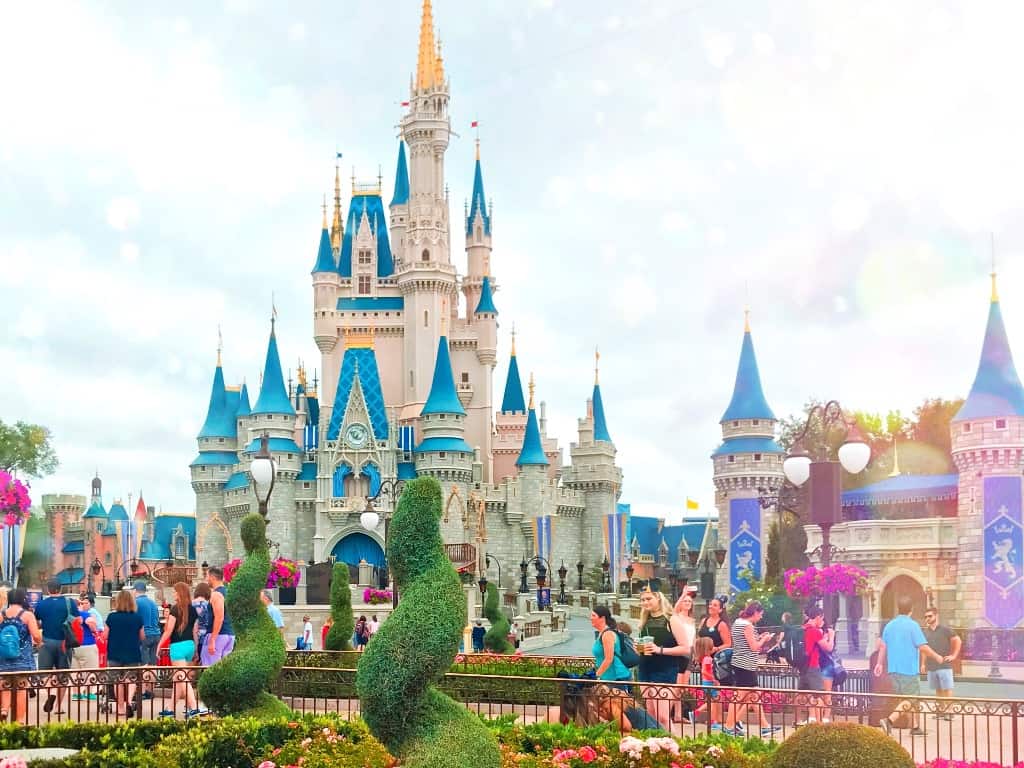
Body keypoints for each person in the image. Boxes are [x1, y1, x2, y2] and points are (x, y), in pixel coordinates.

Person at [875, 595, 947, 735]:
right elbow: (922, 647)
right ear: (911, 610)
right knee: (911, 699)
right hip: (907, 669)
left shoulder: (889, 625)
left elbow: (883, 646)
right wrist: (937, 656)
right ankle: (889, 721)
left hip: (893, 669)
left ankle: (915, 727)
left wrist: (879, 664)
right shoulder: (912, 625)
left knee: (908, 699)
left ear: (898, 609)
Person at [636, 588, 692, 729]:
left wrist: (659, 650)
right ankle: (655, 745)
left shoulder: (671, 619)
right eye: (643, 600)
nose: (645, 602)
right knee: (651, 714)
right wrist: (638, 647)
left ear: (658, 598)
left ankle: (674, 746)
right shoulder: (644, 620)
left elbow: (685, 648)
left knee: (663, 716)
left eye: (649, 599)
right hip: (645, 668)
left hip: (665, 669)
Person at [724, 600, 780, 738]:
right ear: (755, 612)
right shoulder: (748, 626)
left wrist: (759, 638)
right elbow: (754, 647)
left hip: (741, 663)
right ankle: (729, 726)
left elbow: (745, 643)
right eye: (760, 614)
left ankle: (764, 726)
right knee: (739, 697)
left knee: (754, 696)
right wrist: (764, 639)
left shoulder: (738, 622)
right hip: (746, 665)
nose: (760, 617)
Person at [158, 582, 202, 718]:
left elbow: (168, 631)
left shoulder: (175, 609)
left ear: (180, 593)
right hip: (190, 645)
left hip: (177, 646)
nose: (173, 594)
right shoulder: (193, 610)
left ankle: (194, 708)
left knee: (182, 679)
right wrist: (195, 650)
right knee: (179, 679)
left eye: (175, 592)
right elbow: (195, 631)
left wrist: (159, 645)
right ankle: (171, 708)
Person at [33, 579, 77, 715]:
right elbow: (76, 620)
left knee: (45, 674)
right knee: (62, 675)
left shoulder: (41, 604)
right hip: (65, 643)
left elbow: (37, 621)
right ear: (61, 589)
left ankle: (51, 692)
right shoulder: (70, 603)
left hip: (46, 641)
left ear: (48, 590)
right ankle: (58, 706)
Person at [0, 588, 42, 723]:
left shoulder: (1, 614)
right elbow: (36, 636)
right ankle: (19, 721)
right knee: (21, 689)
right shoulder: (27, 615)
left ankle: (4, 709)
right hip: (22, 659)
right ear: (22, 599)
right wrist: (39, 640)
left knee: (5, 685)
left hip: (4, 658)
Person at [104, 588, 145, 717]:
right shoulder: (137, 618)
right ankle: (129, 701)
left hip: (115, 652)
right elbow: (142, 636)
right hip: (132, 652)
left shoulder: (112, 617)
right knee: (131, 679)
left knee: (117, 680)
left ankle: (120, 708)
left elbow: (105, 635)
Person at [800, 605, 835, 725]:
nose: (823, 621)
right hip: (814, 665)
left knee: (806, 693)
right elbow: (828, 648)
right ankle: (819, 723)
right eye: (822, 618)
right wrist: (832, 636)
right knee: (819, 695)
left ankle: (804, 720)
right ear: (818, 617)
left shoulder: (803, 628)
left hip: (803, 665)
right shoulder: (815, 631)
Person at [923, 607, 960, 720]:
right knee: (938, 689)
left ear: (936, 616)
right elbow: (924, 648)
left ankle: (950, 712)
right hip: (931, 665)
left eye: (930, 616)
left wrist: (954, 655)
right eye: (926, 617)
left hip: (944, 664)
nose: (927, 619)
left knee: (947, 688)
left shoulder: (945, 629)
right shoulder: (926, 632)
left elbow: (957, 640)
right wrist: (923, 664)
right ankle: (941, 711)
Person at [589, 605, 632, 685]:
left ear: (602, 618)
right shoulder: (602, 633)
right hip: (608, 677)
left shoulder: (607, 634)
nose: (591, 618)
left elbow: (609, 658)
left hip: (616, 678)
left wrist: (596, 676)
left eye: (593, 615)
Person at [69, 594, 101, 702]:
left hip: (72, 646)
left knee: (75, 671)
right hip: (87, 645)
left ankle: (76, 694)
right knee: (90, 670)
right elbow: (91, 622)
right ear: (79, 605)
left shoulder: (67, 616)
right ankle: (88, 692)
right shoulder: (84, 614)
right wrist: (94, 629)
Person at [672, 592, 698, 721]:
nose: (687, 603)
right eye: (685, 601)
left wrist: (694, 654)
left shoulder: (692, 620)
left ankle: (678, 714)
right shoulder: (677, 617)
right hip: (680, 652)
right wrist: (682, 594)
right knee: (676, 686)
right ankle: (669, 712)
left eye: (689, 601)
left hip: (689, 653)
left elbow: (693, 637)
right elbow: (674, 609)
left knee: (682, 687)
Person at [134, 581, 161, 698]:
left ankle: (143, 691)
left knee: (144, 664)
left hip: (144, 635)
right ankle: (151, 689)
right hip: (156, 634)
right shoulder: (153, 603)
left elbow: (134, 620)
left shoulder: (136, 603)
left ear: (135, 590)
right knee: (153, 664)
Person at [202, 567, 235, 664]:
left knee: (211, 667)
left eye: (207, 576)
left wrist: (212, 639)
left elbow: (219, 617)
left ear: (212, 577)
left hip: (218, 635)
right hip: (229, 634)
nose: (206, 579)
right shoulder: (229, 593)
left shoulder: (216, 594)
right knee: (225, 669)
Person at [689, 636, 721, 730]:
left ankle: (696, 713)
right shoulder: (708, 659)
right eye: (712, 647)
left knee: (712, 701)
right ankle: (713, 722)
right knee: (714, 701)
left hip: (707, 682)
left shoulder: (705, 658)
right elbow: (704, 671)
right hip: (709, 682)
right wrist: (714, 679)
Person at [191, 582, 212, 663]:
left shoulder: (190, 604)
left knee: (193, 664)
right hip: (207, 637)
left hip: (192, 637)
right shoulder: (209, 604)